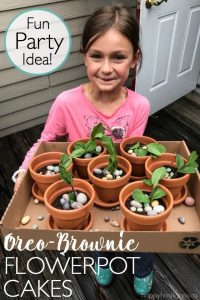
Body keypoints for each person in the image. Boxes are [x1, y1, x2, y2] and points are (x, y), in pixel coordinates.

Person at [13, 5, 153, 296]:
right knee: (92, 235)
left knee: (143, 232)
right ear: (84, 57)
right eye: (96, 56)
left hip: (122, 187)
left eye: (118, 57)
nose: (105, 68)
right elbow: (46, 140)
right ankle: (101, 261)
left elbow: (132, 152)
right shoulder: (66, 102)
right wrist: (25, 169)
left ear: (135, 59)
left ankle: (143, 268)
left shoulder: (139, 105)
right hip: (82, 189)